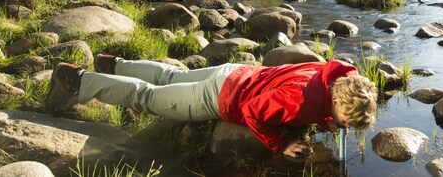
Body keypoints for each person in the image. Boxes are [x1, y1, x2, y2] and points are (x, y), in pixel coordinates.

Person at [45, 55, 378, 158]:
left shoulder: (330, 75)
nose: (345, 126)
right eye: (346, 119)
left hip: (234, 72)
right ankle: (77, 80)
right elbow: (253, 113)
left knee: (171, 74)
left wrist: (325, 120)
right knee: (146, 98)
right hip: (221, 96)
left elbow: (290, 87)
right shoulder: (305, 101)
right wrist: (282, 143)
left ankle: (113, 64)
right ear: (338, 99)